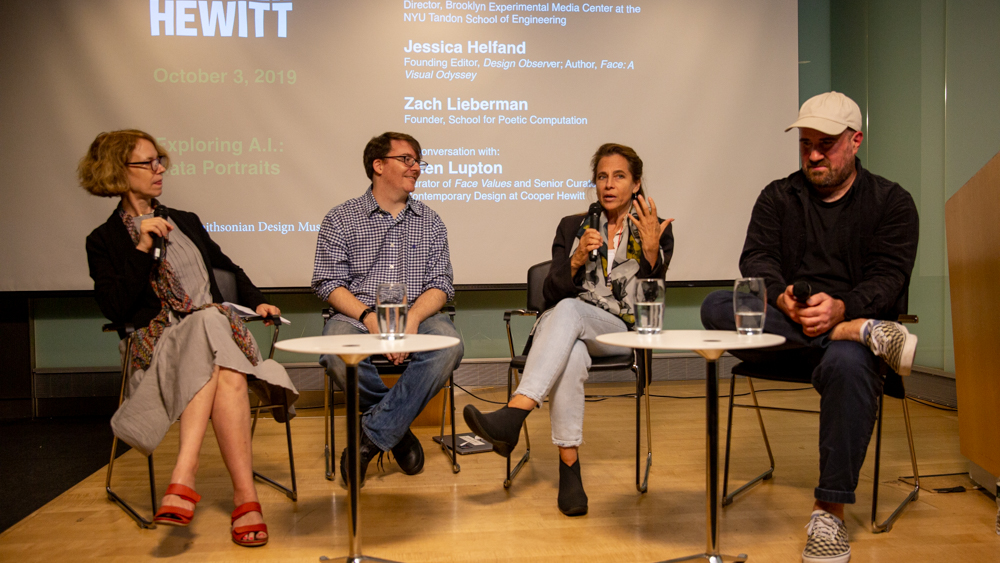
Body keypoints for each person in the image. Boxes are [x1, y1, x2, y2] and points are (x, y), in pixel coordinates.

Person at [699, 92, 919, 563]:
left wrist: (843, 309)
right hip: (787, 331)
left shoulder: (892, 202)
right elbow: (756, 261)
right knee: (717, 306)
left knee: (848, 363)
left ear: (856, 141)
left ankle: (829, 515)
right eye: (806, 144)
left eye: (826, 143)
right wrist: (783, 299)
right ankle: (859, 333)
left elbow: (890, 277)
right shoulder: (778, 196)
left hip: (849, 342)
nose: (814, 155)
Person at [82, 129, 298, 547]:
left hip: (218, 334)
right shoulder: (104, 241)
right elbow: (117, 308)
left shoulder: (185, 220)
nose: (159, 169)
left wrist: (259, 302)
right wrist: (142, 247)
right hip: (157, 348)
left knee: (209, 327)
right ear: (116, 172)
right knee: (220, 355)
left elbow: (227, 269)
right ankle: (246, 499)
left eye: (158, 159)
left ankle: (184, 476)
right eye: (147, 163)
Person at [463, 143, 674, 516]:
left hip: (619, 331)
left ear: (637, 183)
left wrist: (654, 255)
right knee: (571, 348)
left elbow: (650, 300)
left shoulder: (653, 229)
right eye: (602, 177)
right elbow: (550, 292)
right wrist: (575, 260)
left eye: (619, 176)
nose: (609, 185)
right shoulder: (572, 227)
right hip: (568, 327)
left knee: (570, 310)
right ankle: (569, 469)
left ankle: (515, 412)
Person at [312, 132, 464, 485]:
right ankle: (397, 430)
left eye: (418, 161)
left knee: (449, 345)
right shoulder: (341, 218)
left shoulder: (430, 221)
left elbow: (441, 284)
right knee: (334, 351)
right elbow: (327, 282)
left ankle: (369, 438)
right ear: (378, 165)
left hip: (418, 315)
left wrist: (410, 319)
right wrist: (368, 317)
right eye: (407, 159)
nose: (416, 168)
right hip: (358, 316)